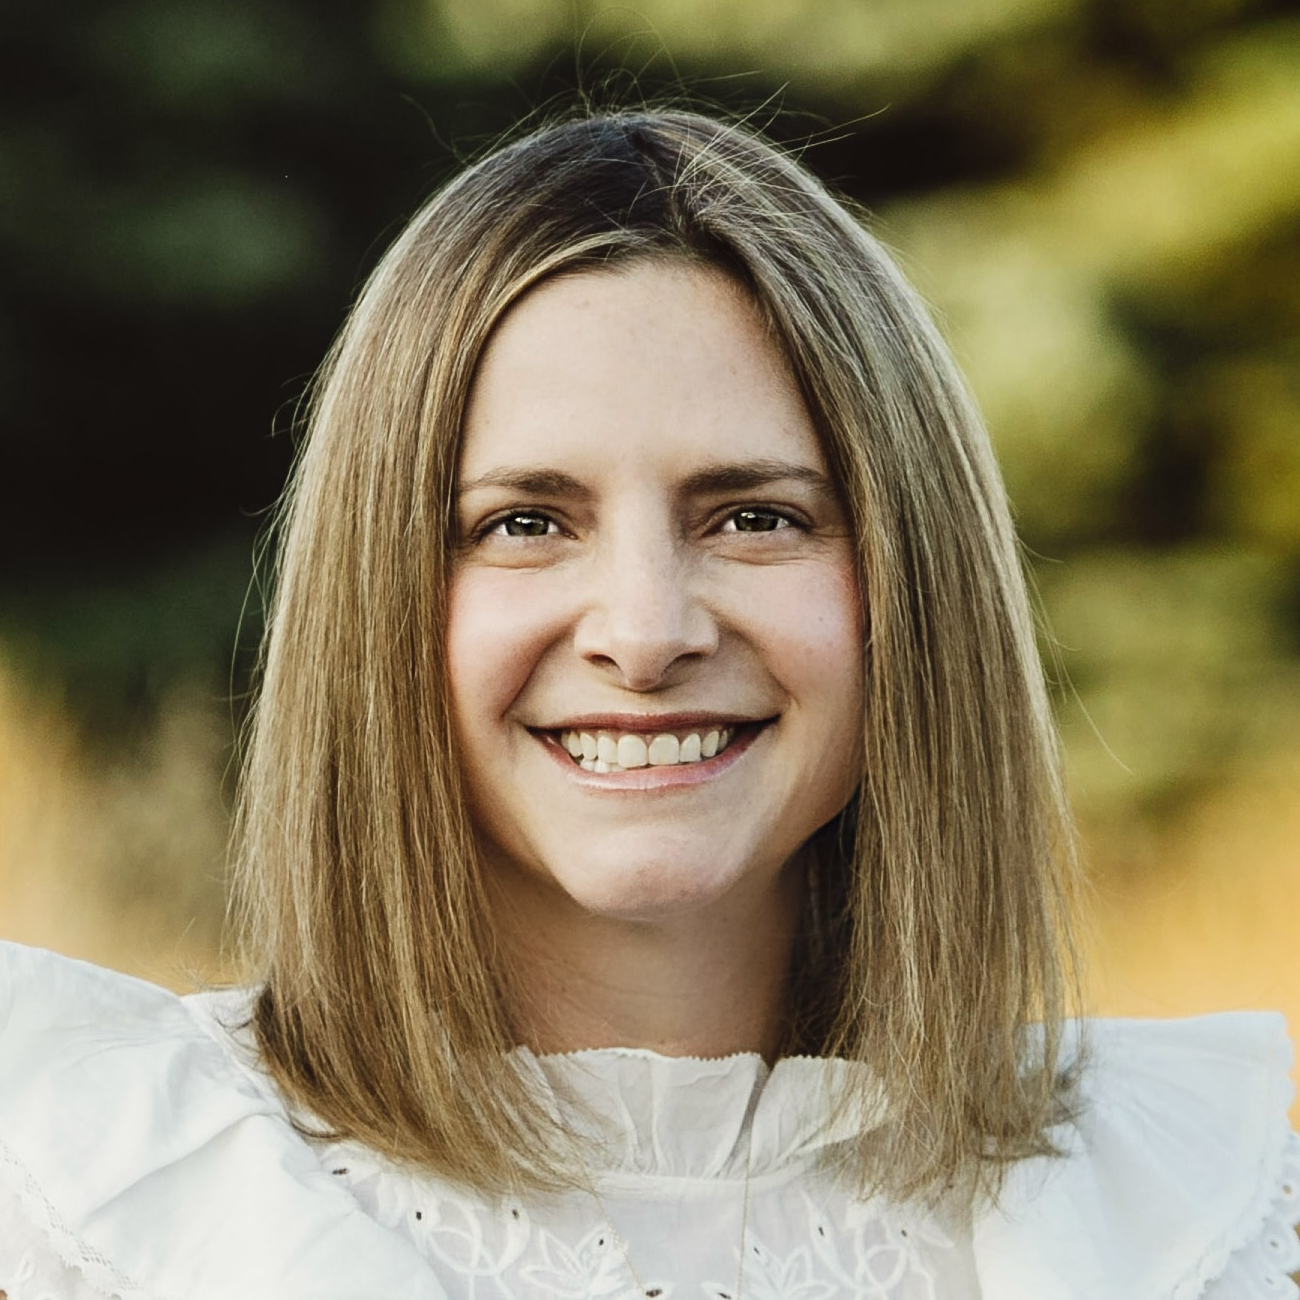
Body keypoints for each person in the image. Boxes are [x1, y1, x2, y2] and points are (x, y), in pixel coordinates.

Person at [0, 108, 1296, 1300]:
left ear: (917, 585)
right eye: (521, 522)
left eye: (753, 517)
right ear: (371, 598)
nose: (644, 632)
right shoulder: (86, 1204)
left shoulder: (1191, 1228)